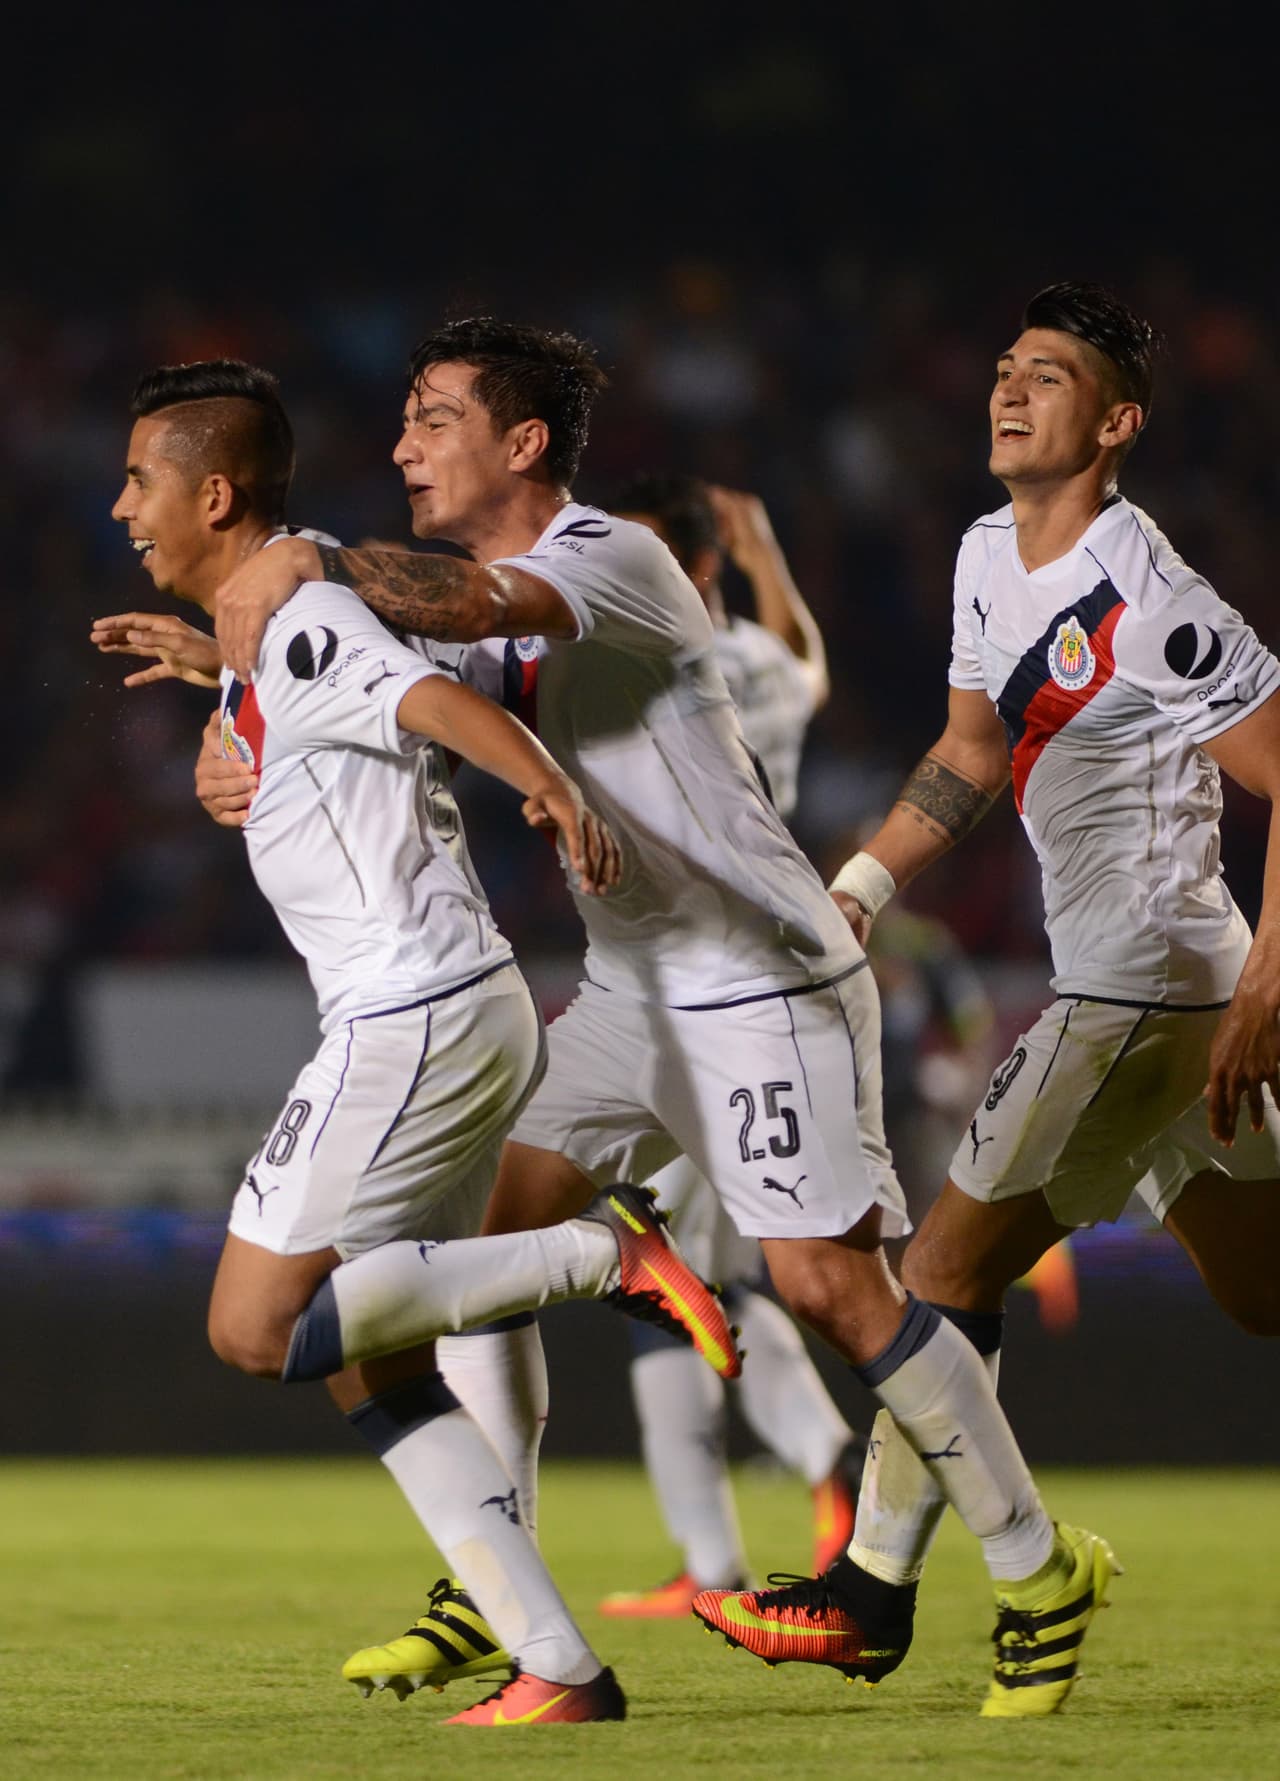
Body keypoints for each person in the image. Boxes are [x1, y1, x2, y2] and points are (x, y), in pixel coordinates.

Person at [209, 315, 1112, 1718]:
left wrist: (308, 559)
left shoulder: (604, 557)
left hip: (760, 973)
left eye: (431, 417)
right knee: (479, 1244)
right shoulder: (495, 589)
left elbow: (455, 611)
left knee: (829, 1288)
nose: (400, 444)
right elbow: (391, 692)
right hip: (635, 984)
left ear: (520, 443)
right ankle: (493, 1575)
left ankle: (1038, 1568)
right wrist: (241, 718)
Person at [97, 356, 743, 1729]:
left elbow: (433, 701)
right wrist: (225, 681)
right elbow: (337, 708)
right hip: (441, 1010)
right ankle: (559, 1666)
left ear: (214, 492)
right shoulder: (269, 629)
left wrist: (555, 788)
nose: (118, 508)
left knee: (254, 1325)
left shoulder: (306, 610)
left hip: (414, 1014)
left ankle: (603, 1254)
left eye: (139, 481)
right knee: (374, 1356)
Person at [690, 281, 1280, 1701]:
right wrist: (855, 890)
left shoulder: (1153, 598)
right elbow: (965, 754)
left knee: (938, 1276)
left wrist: (1270, 975)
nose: (1011, 391)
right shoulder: (978, 556)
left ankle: (872, 1598)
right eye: (1005, 369)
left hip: (1145, 987)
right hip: (1153, 994)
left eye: (1051, 377)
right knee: (1265, 1294)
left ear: (1117, 422)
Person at [596, 470, 866, 1614]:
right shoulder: (755, 657)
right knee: (687, 1276)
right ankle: (735, 1531)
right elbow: (809, 663)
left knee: (661, 1279)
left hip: (696, 993)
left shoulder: (644, 669)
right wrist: (768, 560)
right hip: (749, 981)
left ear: (688, 570)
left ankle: (811, 1473)